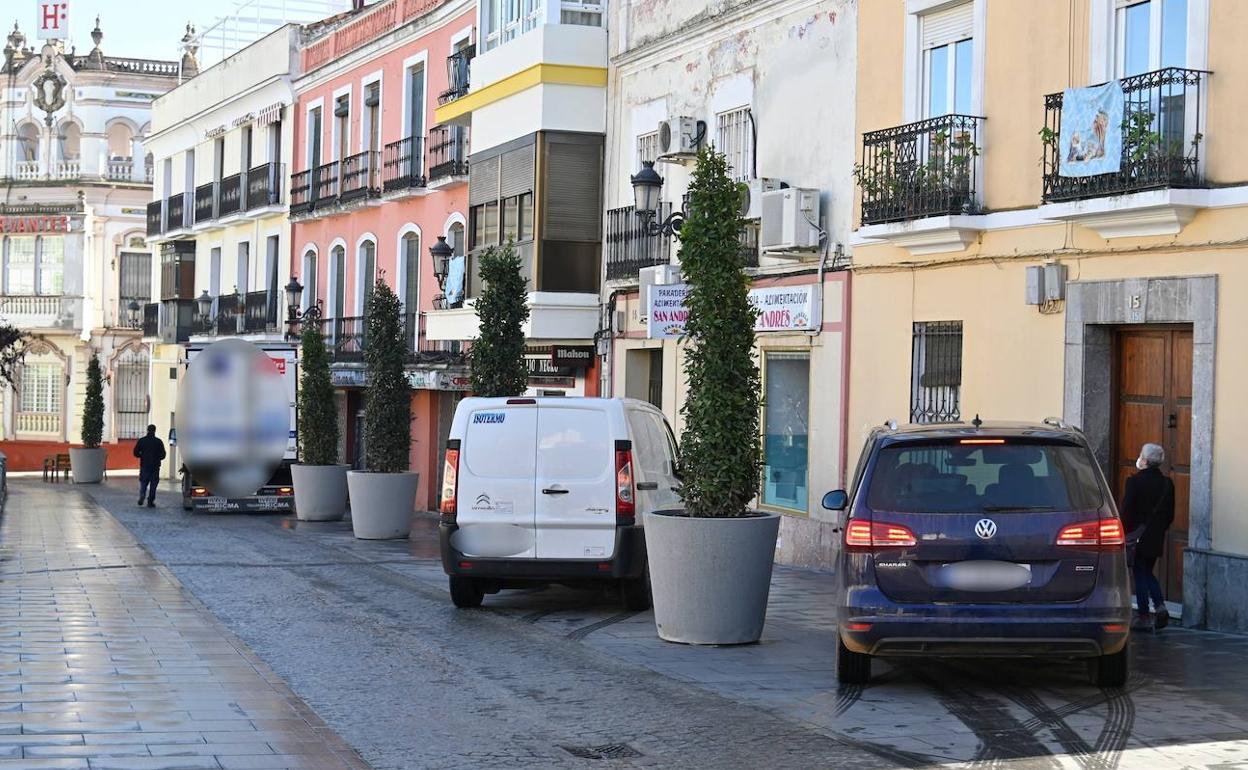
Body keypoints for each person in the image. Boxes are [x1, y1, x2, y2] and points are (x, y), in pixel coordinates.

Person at [1120, 442, 1176, 630]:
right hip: (1156, 536)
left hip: (1136, 536)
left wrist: (1124, 532)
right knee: (1146, 571)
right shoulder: (1167, 483)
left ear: (1144, 460)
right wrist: (1159, 529)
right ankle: (1159, 606)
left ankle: (1143, 615)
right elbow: (1170, 514)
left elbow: (1127, 510)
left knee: (1140, 574)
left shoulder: (1134, 482)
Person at [132, 424, 167, 508]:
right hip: (155, 466)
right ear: (155, 430)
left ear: (147, 430)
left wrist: (141, 456)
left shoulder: (142, 441)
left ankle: (142, 495)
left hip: (144, 465)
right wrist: (157, 457)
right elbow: (163, 455)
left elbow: (135, 452)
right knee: (153, 485)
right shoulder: (158, 442)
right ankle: (150, 501)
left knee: (143, 482)